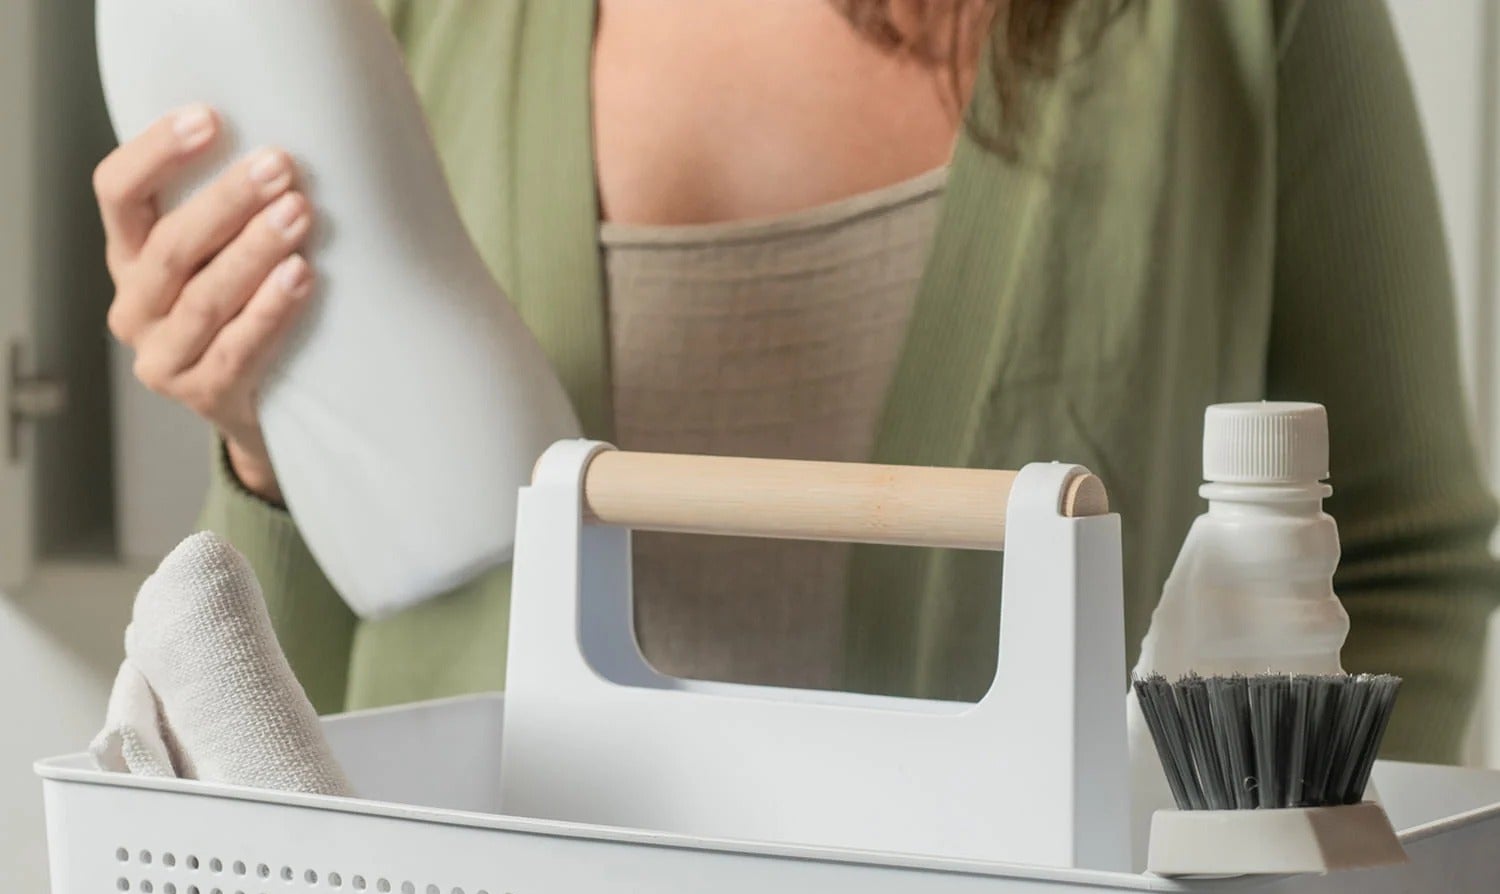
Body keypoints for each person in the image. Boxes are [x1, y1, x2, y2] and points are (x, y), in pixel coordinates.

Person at [93, 0, 1500, 759]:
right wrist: (267, 437)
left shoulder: (1226, 27)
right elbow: (297, 695)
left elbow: (1396, 561)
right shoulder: (389, 21)